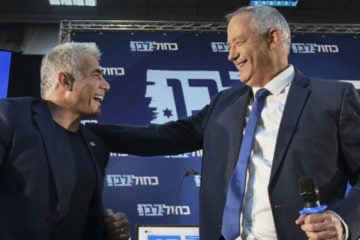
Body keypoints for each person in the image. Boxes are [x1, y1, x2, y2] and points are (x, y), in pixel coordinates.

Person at [87, 5, 360, 240]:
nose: (230, 55)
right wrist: (91, 132)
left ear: (273, 38)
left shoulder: (334, 98)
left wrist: (342, 220)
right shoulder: (225, 103)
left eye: (238, 43)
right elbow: (166, 136)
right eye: (228, 46)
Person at [0, 42, 130, 240]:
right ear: (65, 81)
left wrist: (107, 232)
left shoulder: (96, 146)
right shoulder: (10, 116)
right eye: (96, 75)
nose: (106, 85)